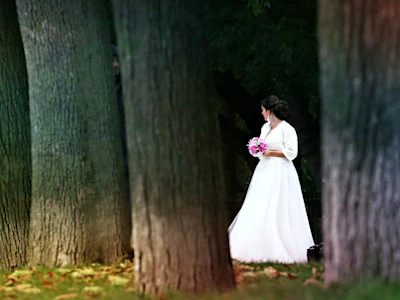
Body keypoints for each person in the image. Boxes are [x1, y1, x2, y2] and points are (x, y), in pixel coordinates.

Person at [228, 95, 314, 263]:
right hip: (264, 170)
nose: (261, 113)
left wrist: (271, 153)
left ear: (269, 111)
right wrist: (258, 150)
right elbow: (262, 144)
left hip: (280, 169)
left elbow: (291, 152)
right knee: (260, 204)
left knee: (278, 204)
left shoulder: (287, 129)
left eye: (263, 110)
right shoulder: (265, 128)